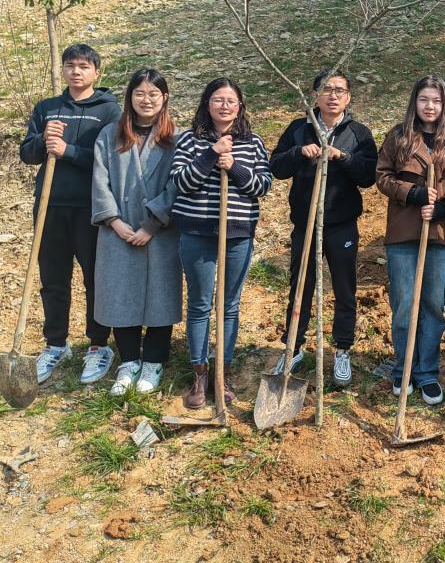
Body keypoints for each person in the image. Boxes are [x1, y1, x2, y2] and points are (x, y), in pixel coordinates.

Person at [19, 43, 121, 385]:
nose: (76, 72)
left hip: (91, 209)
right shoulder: (47, 108)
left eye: (84, 66)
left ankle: (98, 345)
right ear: (63, 70)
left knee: (95, 277)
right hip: (49, 206)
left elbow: (112, 160)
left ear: (97, 72)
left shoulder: (108, 111)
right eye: (70, 66)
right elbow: (27, 154)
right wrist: (43, 141)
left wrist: (69, 151)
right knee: (53, 278)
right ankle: (55, 344)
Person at [269, 70, 378, 387]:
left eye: (339, 90)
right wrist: (298, 152)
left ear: (348, 97)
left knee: (344, 288)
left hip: (341, 225)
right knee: (300, 286)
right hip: (305, 224)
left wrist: (343, 157)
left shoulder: (358, 133)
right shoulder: (299, 129)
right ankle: (294, 347)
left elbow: (368, 176)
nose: (333, 95)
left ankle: (342, 349)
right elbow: (276, 167)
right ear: (315, 95)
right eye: (326, 89)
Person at [171, 78, 272, 409]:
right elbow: (181, 182)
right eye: (218, 99)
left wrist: (234, 167)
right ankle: (200, 373)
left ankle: (222, 372)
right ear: (207, 104)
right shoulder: (190, 140)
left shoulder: (252, 143)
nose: (225, 106)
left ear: (240, 106)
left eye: (231, 100)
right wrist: (211, 156)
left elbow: (262, 185)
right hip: (197, 233)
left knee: (229, 305)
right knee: (200, 304)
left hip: (237, 234)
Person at [376, 75, 445, 405]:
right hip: (403, 233)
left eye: (437, 101)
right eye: (424, 99)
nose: (430, 106)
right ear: (414, 102)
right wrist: (411, 193)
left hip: (440, 235)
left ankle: (427, 371)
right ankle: (403, 368)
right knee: (404, 305)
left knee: (432, 305)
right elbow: (381, 177)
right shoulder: (399, 137)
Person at [92, 69, 182, 396]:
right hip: (118, 230)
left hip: (160, 232)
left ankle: (154, 361)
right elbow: (100, 181)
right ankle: (128, 361)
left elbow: (178, 185)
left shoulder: (177, 137)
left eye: (153, 94)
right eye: (139, 93)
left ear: (164, 97)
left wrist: (152, 224)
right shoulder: (109, 135)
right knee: (119, 294)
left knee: (160, 296)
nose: (146, 100)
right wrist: (114, 221)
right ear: (129, 97)